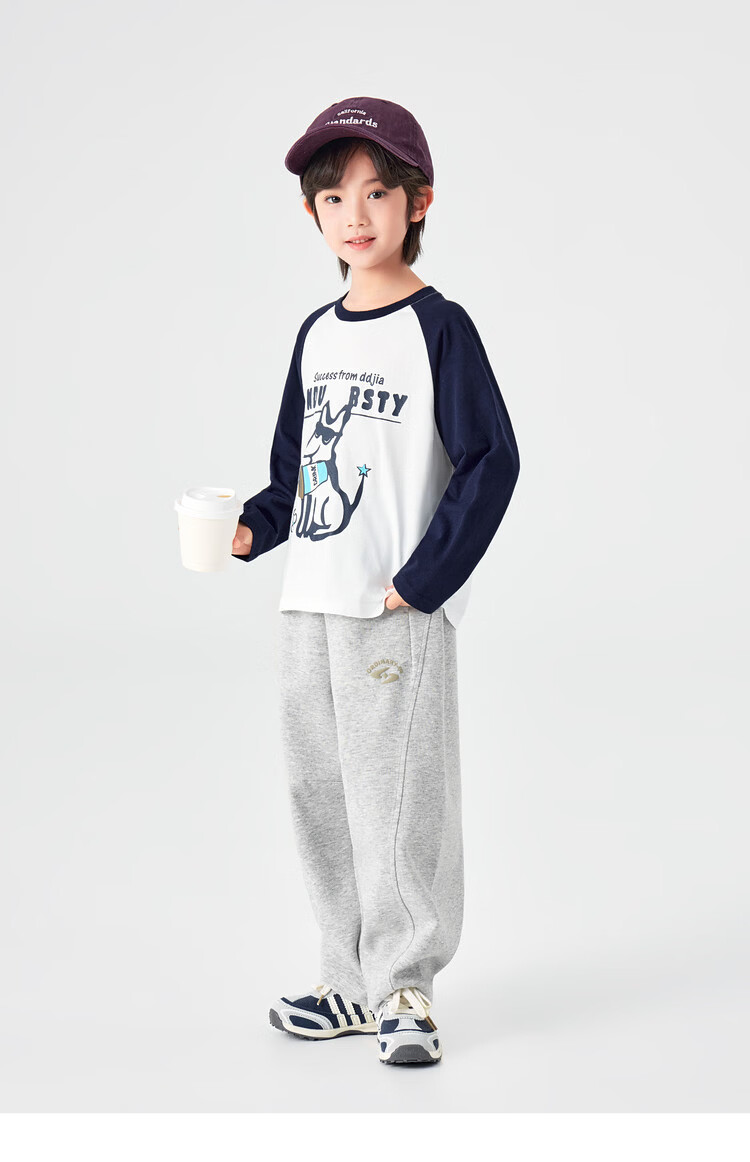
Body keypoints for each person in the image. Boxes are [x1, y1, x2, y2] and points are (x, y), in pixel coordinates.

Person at [231, 96, 520, 1066]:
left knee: (395, 797)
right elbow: (296, 469)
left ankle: (405, 984)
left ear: (417, 201)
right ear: (311, 214)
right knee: (320, 790)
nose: (354, 215)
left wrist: (423, 580)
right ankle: (345, 980)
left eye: (377, 193)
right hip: (310, 602)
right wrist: (252, 528)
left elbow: (492, 460)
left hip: (392, 608)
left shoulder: (440, 329)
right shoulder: (316, 334)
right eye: (333, 197)